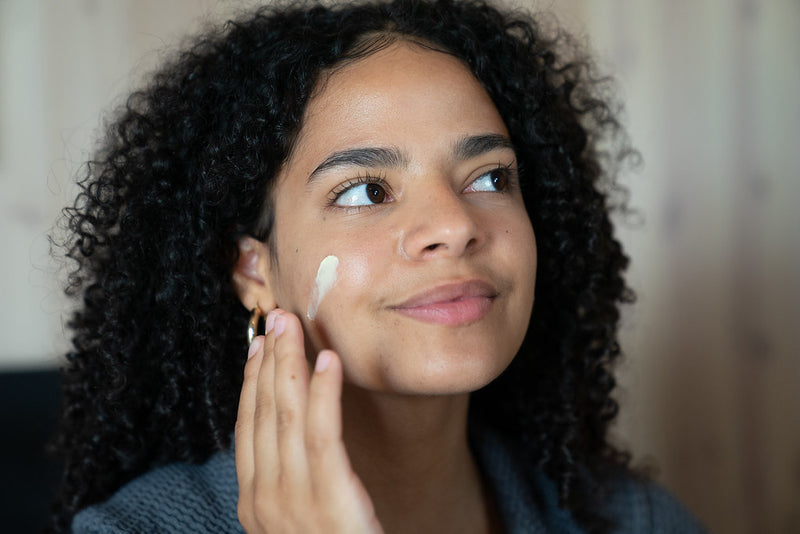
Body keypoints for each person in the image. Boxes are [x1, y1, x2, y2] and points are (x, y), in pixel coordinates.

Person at [49, 0, 707, 532]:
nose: (455, 225)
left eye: (489, 177)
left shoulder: (633, 519)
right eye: (367, 189)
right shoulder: (137, 530)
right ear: (254, 270)